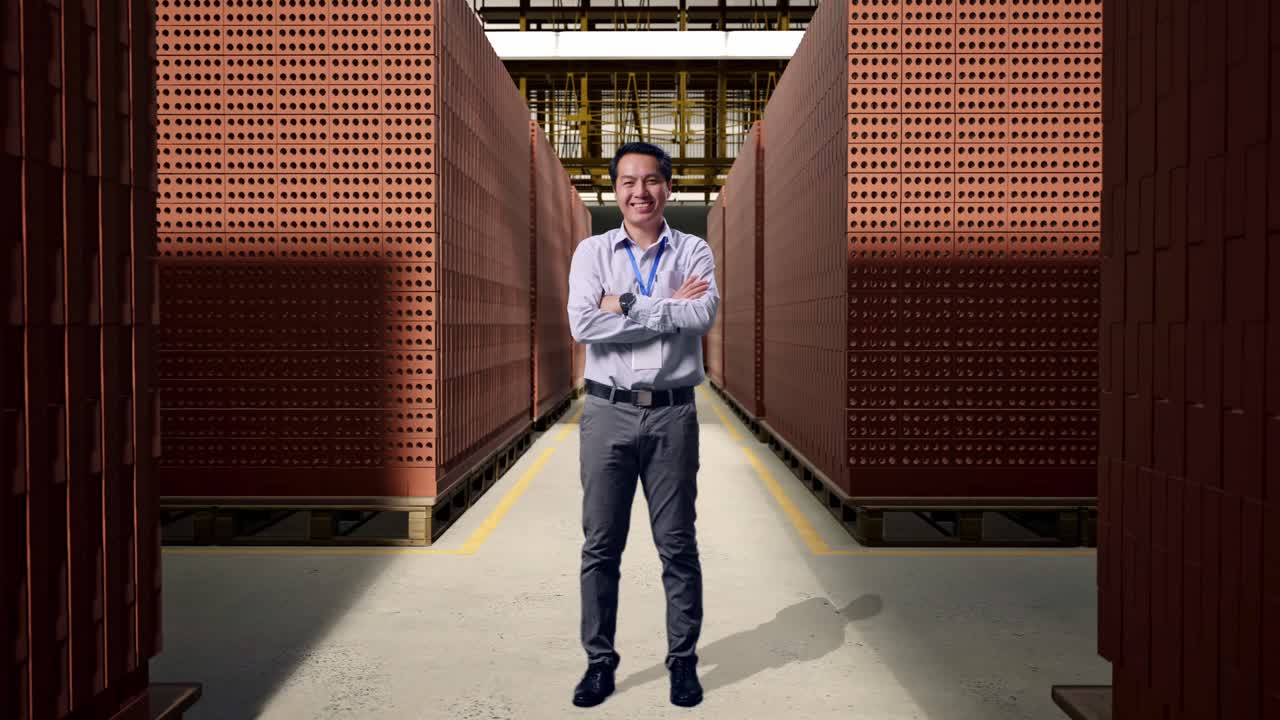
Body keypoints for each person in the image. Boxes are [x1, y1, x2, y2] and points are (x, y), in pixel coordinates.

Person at [565, 142, 720, 708]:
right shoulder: (591, 252)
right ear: (615, 190)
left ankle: (683, 663)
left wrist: (625, 304)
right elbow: (583, 324)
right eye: (628, 181)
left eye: (650, 180)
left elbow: (701, 315)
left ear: (668, 187)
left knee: (677, 544)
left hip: (674, 414)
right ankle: (599, 664)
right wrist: (661, 310)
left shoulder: (695, 250)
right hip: (607, 411)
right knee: (601, 546)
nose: (639, 192)